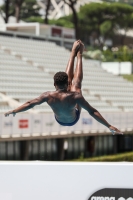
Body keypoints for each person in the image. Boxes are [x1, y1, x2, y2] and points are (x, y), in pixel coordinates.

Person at [5, 40, 123, 135]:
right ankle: (79, 55)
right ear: (66, 84)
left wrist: (15, 110)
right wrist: (108, 125)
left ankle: (73, 54)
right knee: (76, 87)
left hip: (60, 120)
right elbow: (92, 111)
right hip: (73, 119)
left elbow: (30, 103)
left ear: (54, 84)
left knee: (75, 88)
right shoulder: (75, 97)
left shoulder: (47, 95)